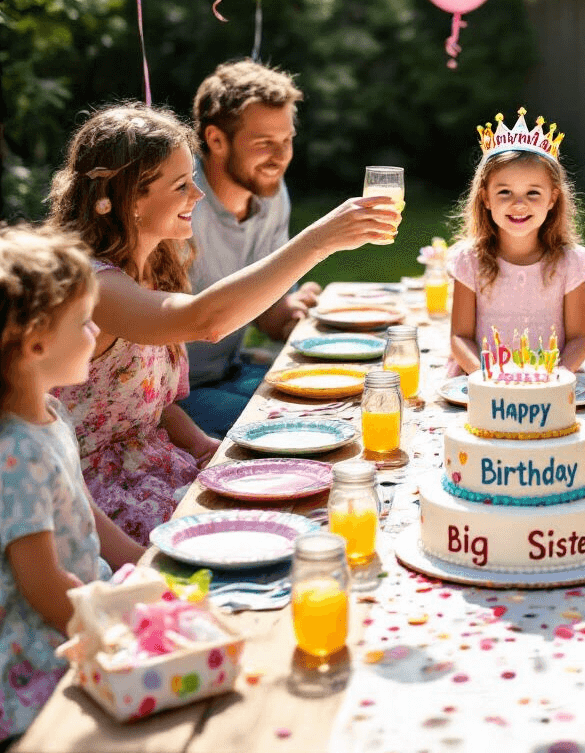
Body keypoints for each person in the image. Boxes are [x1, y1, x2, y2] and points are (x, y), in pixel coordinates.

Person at [47, 104, 399, 542]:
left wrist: (207, 448)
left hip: (157, 467)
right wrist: (320, 241)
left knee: (323, 493)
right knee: (295, 527)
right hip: (102, 501)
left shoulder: (151, 267)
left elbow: (148, 407)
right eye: (181, 185)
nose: (196, 195)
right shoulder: (96, 287)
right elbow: (207, 320)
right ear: (129, 198)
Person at [0, 225, 143, 753]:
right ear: (36, 343)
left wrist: (143, 562)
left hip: (82, 609)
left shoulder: (50, 415)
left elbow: (82, 509)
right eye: (84, 322)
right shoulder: (15, 452)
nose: (96, 332)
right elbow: (40, 584)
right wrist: (110, 643)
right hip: (43, 653)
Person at [180, 59, 320, 438]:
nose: (279, 158)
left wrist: (291, 309)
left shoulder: (269, 194)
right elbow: (200, 323)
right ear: (216, 140)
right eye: (263, 144)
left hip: (229, 371)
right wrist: (320, 240)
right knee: (296, 429)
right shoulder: (177, 202)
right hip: (171, 400)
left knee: (331, 402)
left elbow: (269, 318)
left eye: (287, 140)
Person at [448, 108, 585, 376]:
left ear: (552, 199)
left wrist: (558, 376)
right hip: (480, 381)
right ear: (486, 198)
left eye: (533, 193)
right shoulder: (469, 261)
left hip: (552, 380)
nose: (518, 204)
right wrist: (484, 376)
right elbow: (460, 336)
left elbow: (578, 339)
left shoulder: (570, 263)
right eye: (504, 192)